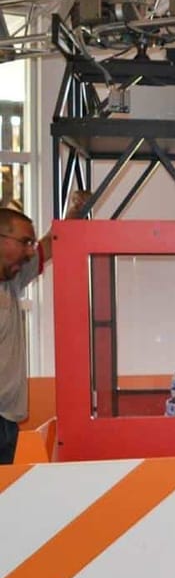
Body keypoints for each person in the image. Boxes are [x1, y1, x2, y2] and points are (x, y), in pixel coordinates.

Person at [0, 196, 86, 464]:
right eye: (25, 242)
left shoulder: (10, 282)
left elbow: (48, 248)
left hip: (6, 420)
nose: (29, 251)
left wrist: (73, 214)